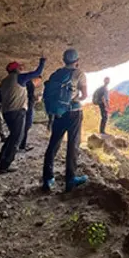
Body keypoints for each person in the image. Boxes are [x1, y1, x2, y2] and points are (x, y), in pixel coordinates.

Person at [42, 49, 88, 192]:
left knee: (54, 143)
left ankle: (48, 178)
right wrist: (75, 99)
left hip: (58, 113)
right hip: (74, 113)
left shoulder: (56, 74)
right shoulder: (79, 73)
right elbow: (84, 95)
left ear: (64, 60)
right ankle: (70, 179)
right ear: (77, 61)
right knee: (73, 144)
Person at [0, 57, 46, 174]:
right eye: (19, 67)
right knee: (16, 138)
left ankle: (1, 159)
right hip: (17, 111)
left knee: (12, 136)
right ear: (16, 69)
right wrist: (42, 61)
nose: (21, 68)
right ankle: (5, 165)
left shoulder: (4, 81)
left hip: (7, 112)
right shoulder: (19, 77)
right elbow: (37, 73)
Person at [19, 76, 42, 152]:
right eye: (39, 81)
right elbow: (29, 98)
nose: (39, 83)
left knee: (24, 127)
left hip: (25, 108)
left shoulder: (27, 84)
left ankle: (21, 144)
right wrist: (36, 99)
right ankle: (21, 146)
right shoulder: (30, 85)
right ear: (36, 79)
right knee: (26, 126)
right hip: (27, 109)